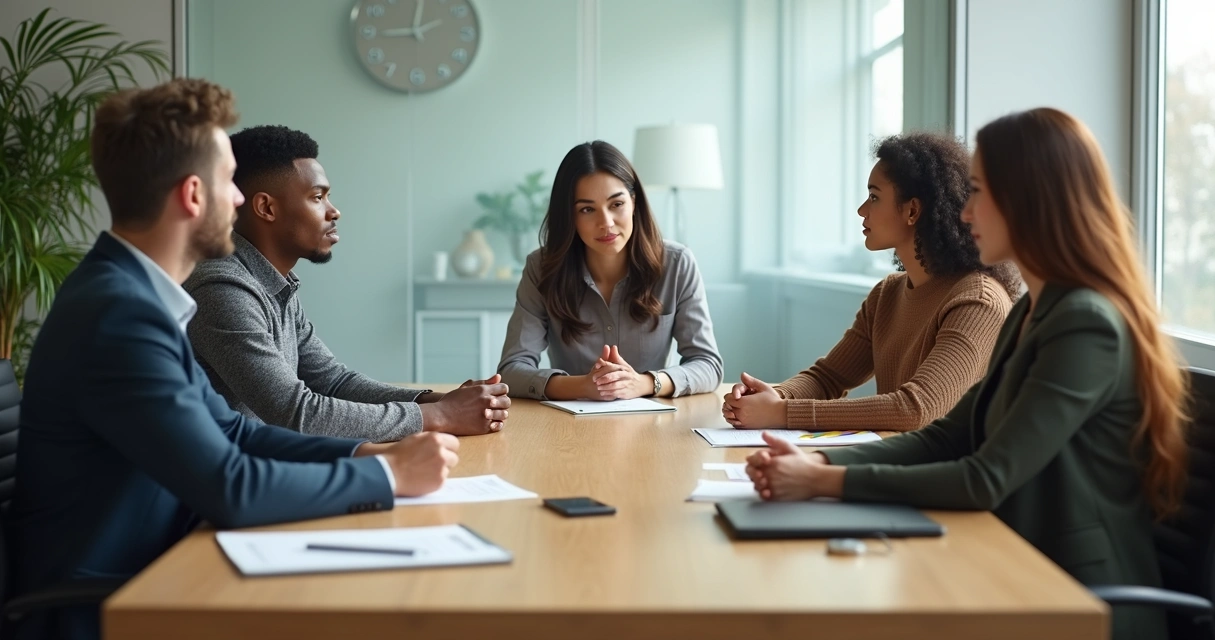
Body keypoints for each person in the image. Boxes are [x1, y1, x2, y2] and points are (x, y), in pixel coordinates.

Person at [7, 79, 459, 640]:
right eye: (229, 182)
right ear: (194, 196)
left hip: (167, 559)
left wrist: (365, 450)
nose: (242, 199)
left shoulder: (137, 295)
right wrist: (388, 474)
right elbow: (231, 486)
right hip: (109, 599)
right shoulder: (119, 315)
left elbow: (233, 432)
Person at [745, 108, 1189, 640]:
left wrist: (824, 480)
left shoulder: (1083, 324)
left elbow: (985, 477)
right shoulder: (1031, 312)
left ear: (1029, 201)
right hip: (1015, 562)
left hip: (1078, 595)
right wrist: (814, 459)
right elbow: (947, 436)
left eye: (978, 192)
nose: (964, 211)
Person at [183, 125, 509, 441]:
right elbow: (298, 414)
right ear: (267, 208)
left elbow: (333, 382)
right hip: (231, 475)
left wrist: (439, 402)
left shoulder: (275, 283)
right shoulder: (222, 290)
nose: (334, 211)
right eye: (317, 197)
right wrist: (439, 416)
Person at [723, 132, 1020, 431]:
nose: (862, 210)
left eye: (874, 197)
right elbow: (828, 378)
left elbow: (916, 409)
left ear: (912, 210)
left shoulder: (977, 302)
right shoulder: (887, 294)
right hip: (897, 456)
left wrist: (781, 412)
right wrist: (771, 397)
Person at [497, 140, 723, 400]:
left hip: (653, 419)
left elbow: (708, 365)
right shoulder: (541, 268)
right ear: (570, 217)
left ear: (634, 202)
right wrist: (583, 386)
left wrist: (644, 383)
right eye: (587, 209)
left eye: (616, 204)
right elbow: (512, 370)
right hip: (567, 420)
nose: (606, 223)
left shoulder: (677, 264)